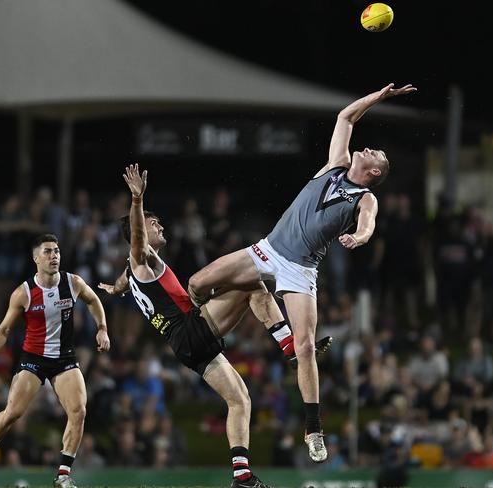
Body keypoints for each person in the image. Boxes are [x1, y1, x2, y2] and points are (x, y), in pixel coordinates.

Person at [187, 83, 418, 463]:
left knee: (307, 346)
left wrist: (359, 239)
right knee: (197, 283)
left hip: (300, 269)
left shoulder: (366, 196)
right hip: (267, 250)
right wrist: (378, 97)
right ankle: (208, 327)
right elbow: (346, 116)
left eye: (376, 153)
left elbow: (368, 223)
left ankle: (313, 429)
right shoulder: (335, 166)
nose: (369, 147)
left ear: (374, 170)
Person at [99, 165, 329, 488]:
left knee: (240, 399)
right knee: (253, 285)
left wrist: (116, 288)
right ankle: (291, 349)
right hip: (189, 327)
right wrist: (137, 201)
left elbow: (126, 276)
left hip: (185, 346)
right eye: (154, 224)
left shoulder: (132, 269)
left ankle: (242, 476)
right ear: (140, 231)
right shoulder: (142, 257)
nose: (160, 226)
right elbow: (136, 242)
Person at [0, 233, 110, 488]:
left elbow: (93, 299)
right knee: (13, 413)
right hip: (33, 359)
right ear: (36, 258)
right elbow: (4, 330)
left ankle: (63, 474)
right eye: (47, 251)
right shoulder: (23, 293)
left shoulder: (73, 282)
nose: (54, 255)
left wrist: (102, 328)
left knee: (78, 411)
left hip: (65, 359)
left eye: (56, 251)